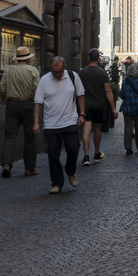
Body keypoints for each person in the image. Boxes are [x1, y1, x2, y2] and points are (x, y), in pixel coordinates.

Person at [33, 56, 86, 194]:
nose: (57, 74)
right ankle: (57, 183)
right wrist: (36, 122)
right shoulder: (44, 80)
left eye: (60, 71)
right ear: (50, 68)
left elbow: (81, 95)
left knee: (74, 149)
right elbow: (38, 102)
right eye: (54, 72)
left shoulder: (73, 77)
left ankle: (70, 171)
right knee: (53, 155)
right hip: (51, 124)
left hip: (70, 121)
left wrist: (82, 114)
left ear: (64, 67)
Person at [0, 45, 40, 177]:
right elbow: (36, 91)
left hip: (12, 104)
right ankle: (29, 168)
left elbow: (2, 89)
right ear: (28, 59)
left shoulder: (8, 69)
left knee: (10, 136)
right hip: (27, 104)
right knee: (30, 137)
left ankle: (6, 164)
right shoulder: (32, 71)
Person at [79, 49, 118, 165]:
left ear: (88, 58)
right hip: (99, 104)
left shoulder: (81, 73)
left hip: (85, 105)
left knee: (86, 129)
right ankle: (96, 153)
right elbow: (108, 91)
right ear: (99, 59)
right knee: (97, 128)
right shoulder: (102, 73)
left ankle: (86, 156)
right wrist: (113, 108)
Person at [119, 61, 138, 154]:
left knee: (128, 127)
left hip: (127, 107)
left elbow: (121, 95)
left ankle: (128, 147)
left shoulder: (125, 81)